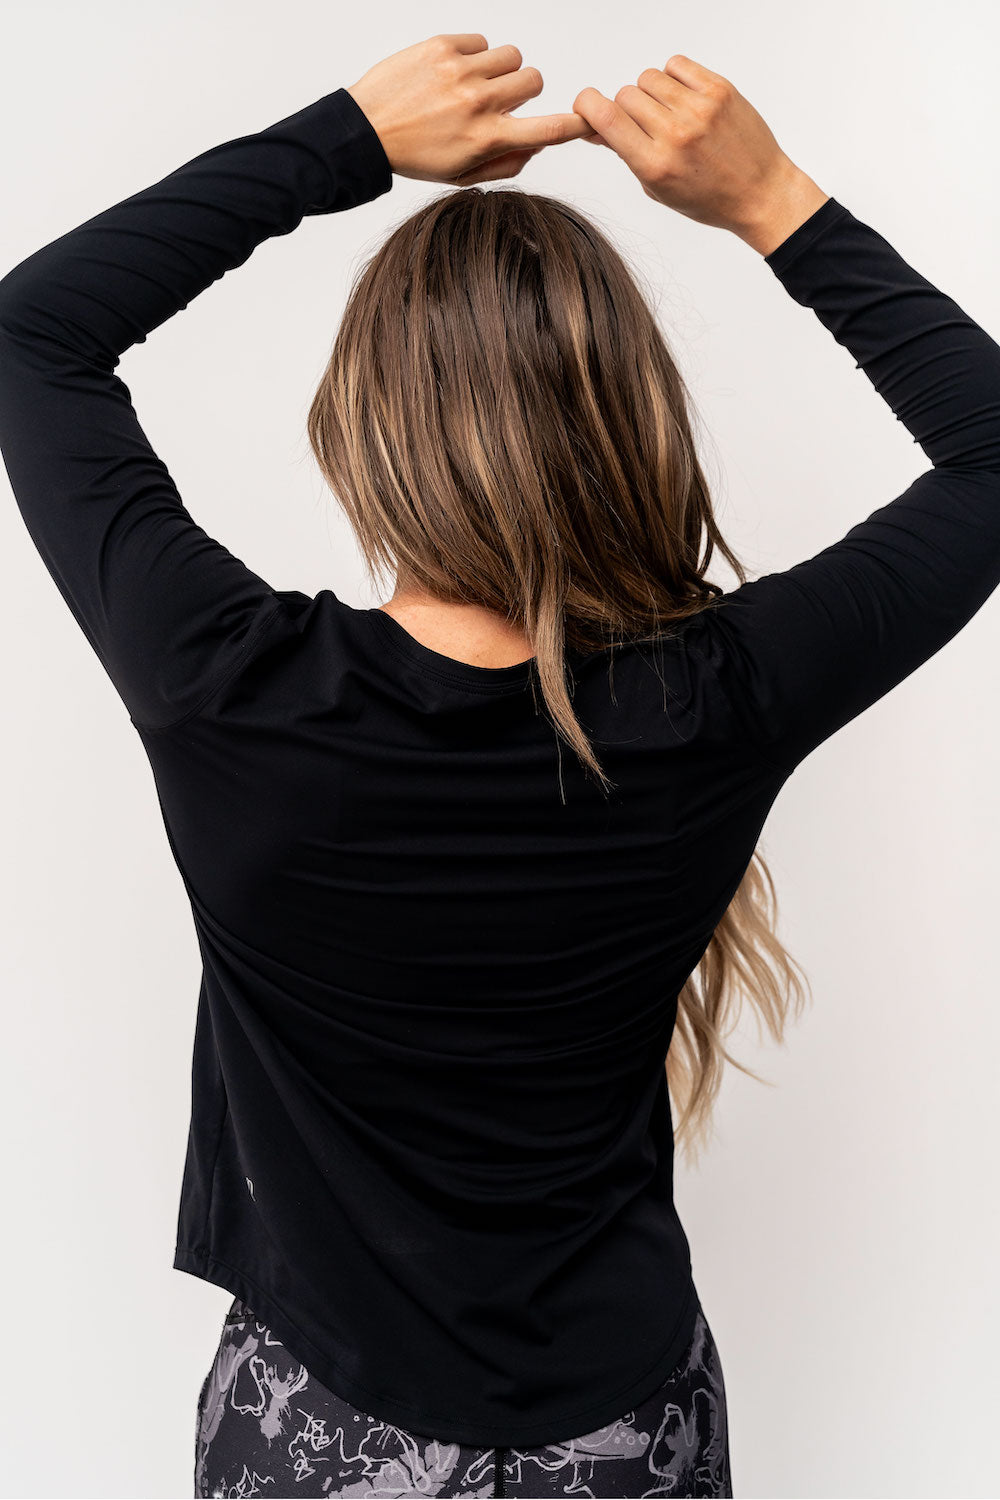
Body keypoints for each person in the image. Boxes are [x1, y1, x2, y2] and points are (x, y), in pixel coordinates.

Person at [1, 30, 997, 1500]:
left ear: (361, 428)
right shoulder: (715, 701)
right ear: (631, 425)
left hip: (314, 1433)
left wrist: (346, 137)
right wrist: (770, 197)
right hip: (627, 1436)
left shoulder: (228, 688)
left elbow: (32, 334)